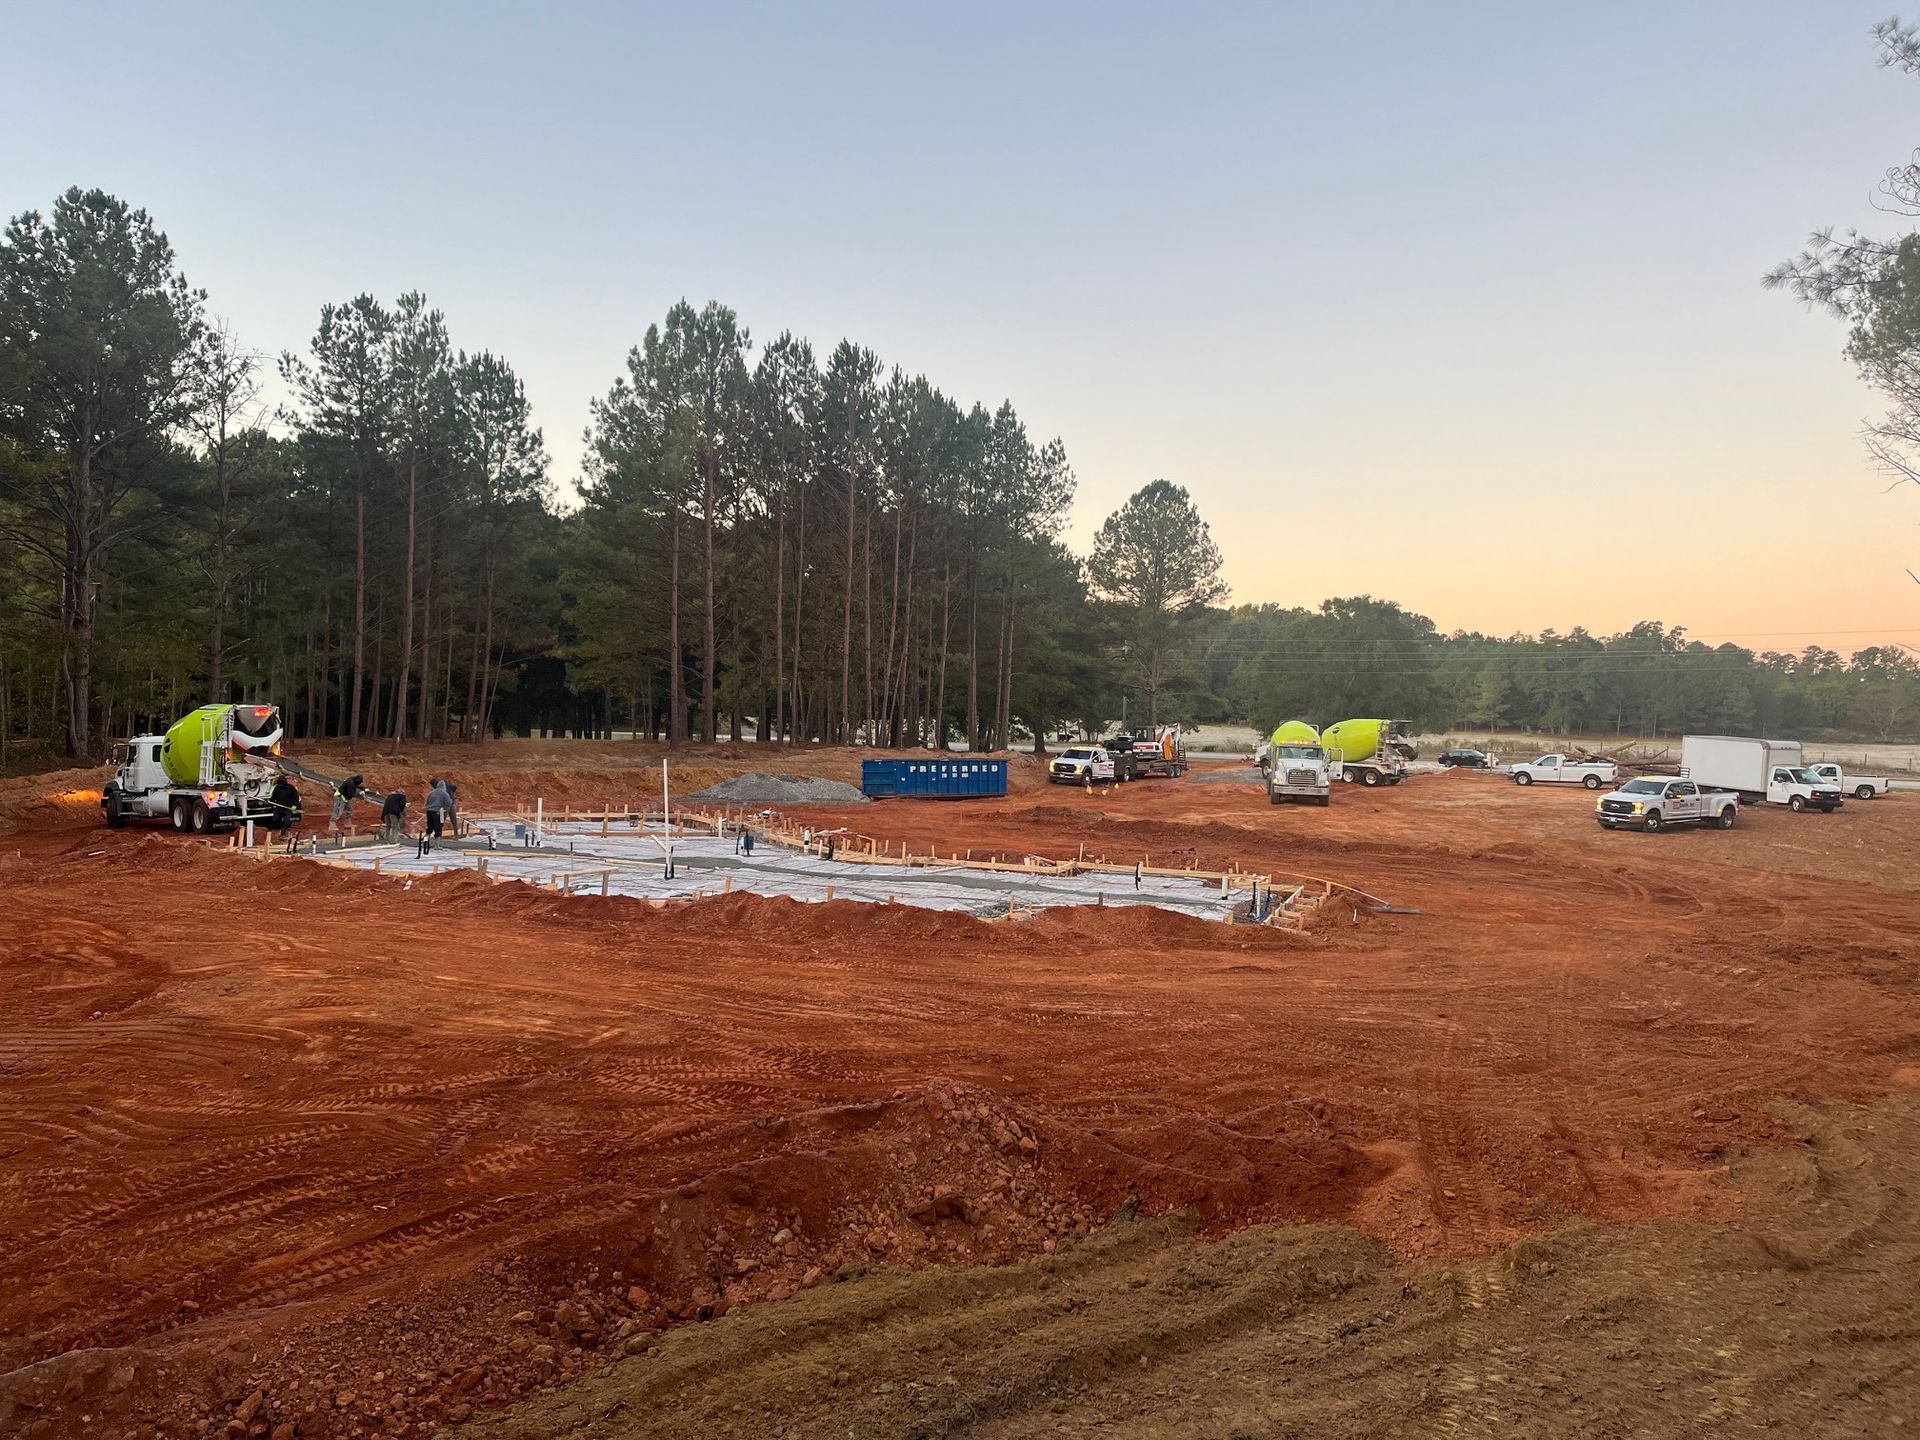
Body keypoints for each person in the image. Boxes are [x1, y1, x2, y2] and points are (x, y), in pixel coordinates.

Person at [424, 779, 453, 850]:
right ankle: (436, 845)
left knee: (429, 828)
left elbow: (426, 802)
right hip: (439, 812)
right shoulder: (444, 793)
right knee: (438, 828)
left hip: (429, 811)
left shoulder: (431, 792)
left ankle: (424, 842)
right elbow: (449, 803)